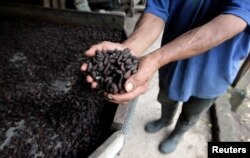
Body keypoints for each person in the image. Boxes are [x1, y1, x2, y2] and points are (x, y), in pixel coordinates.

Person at [81, 0, 250, 154]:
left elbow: (232, 20)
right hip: (171, 68)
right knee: (166, 99)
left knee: (192, 113)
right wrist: (131, 47)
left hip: (213, 75)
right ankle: (165, 120)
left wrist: (157, 59)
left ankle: (177, 134)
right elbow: (157, 9)